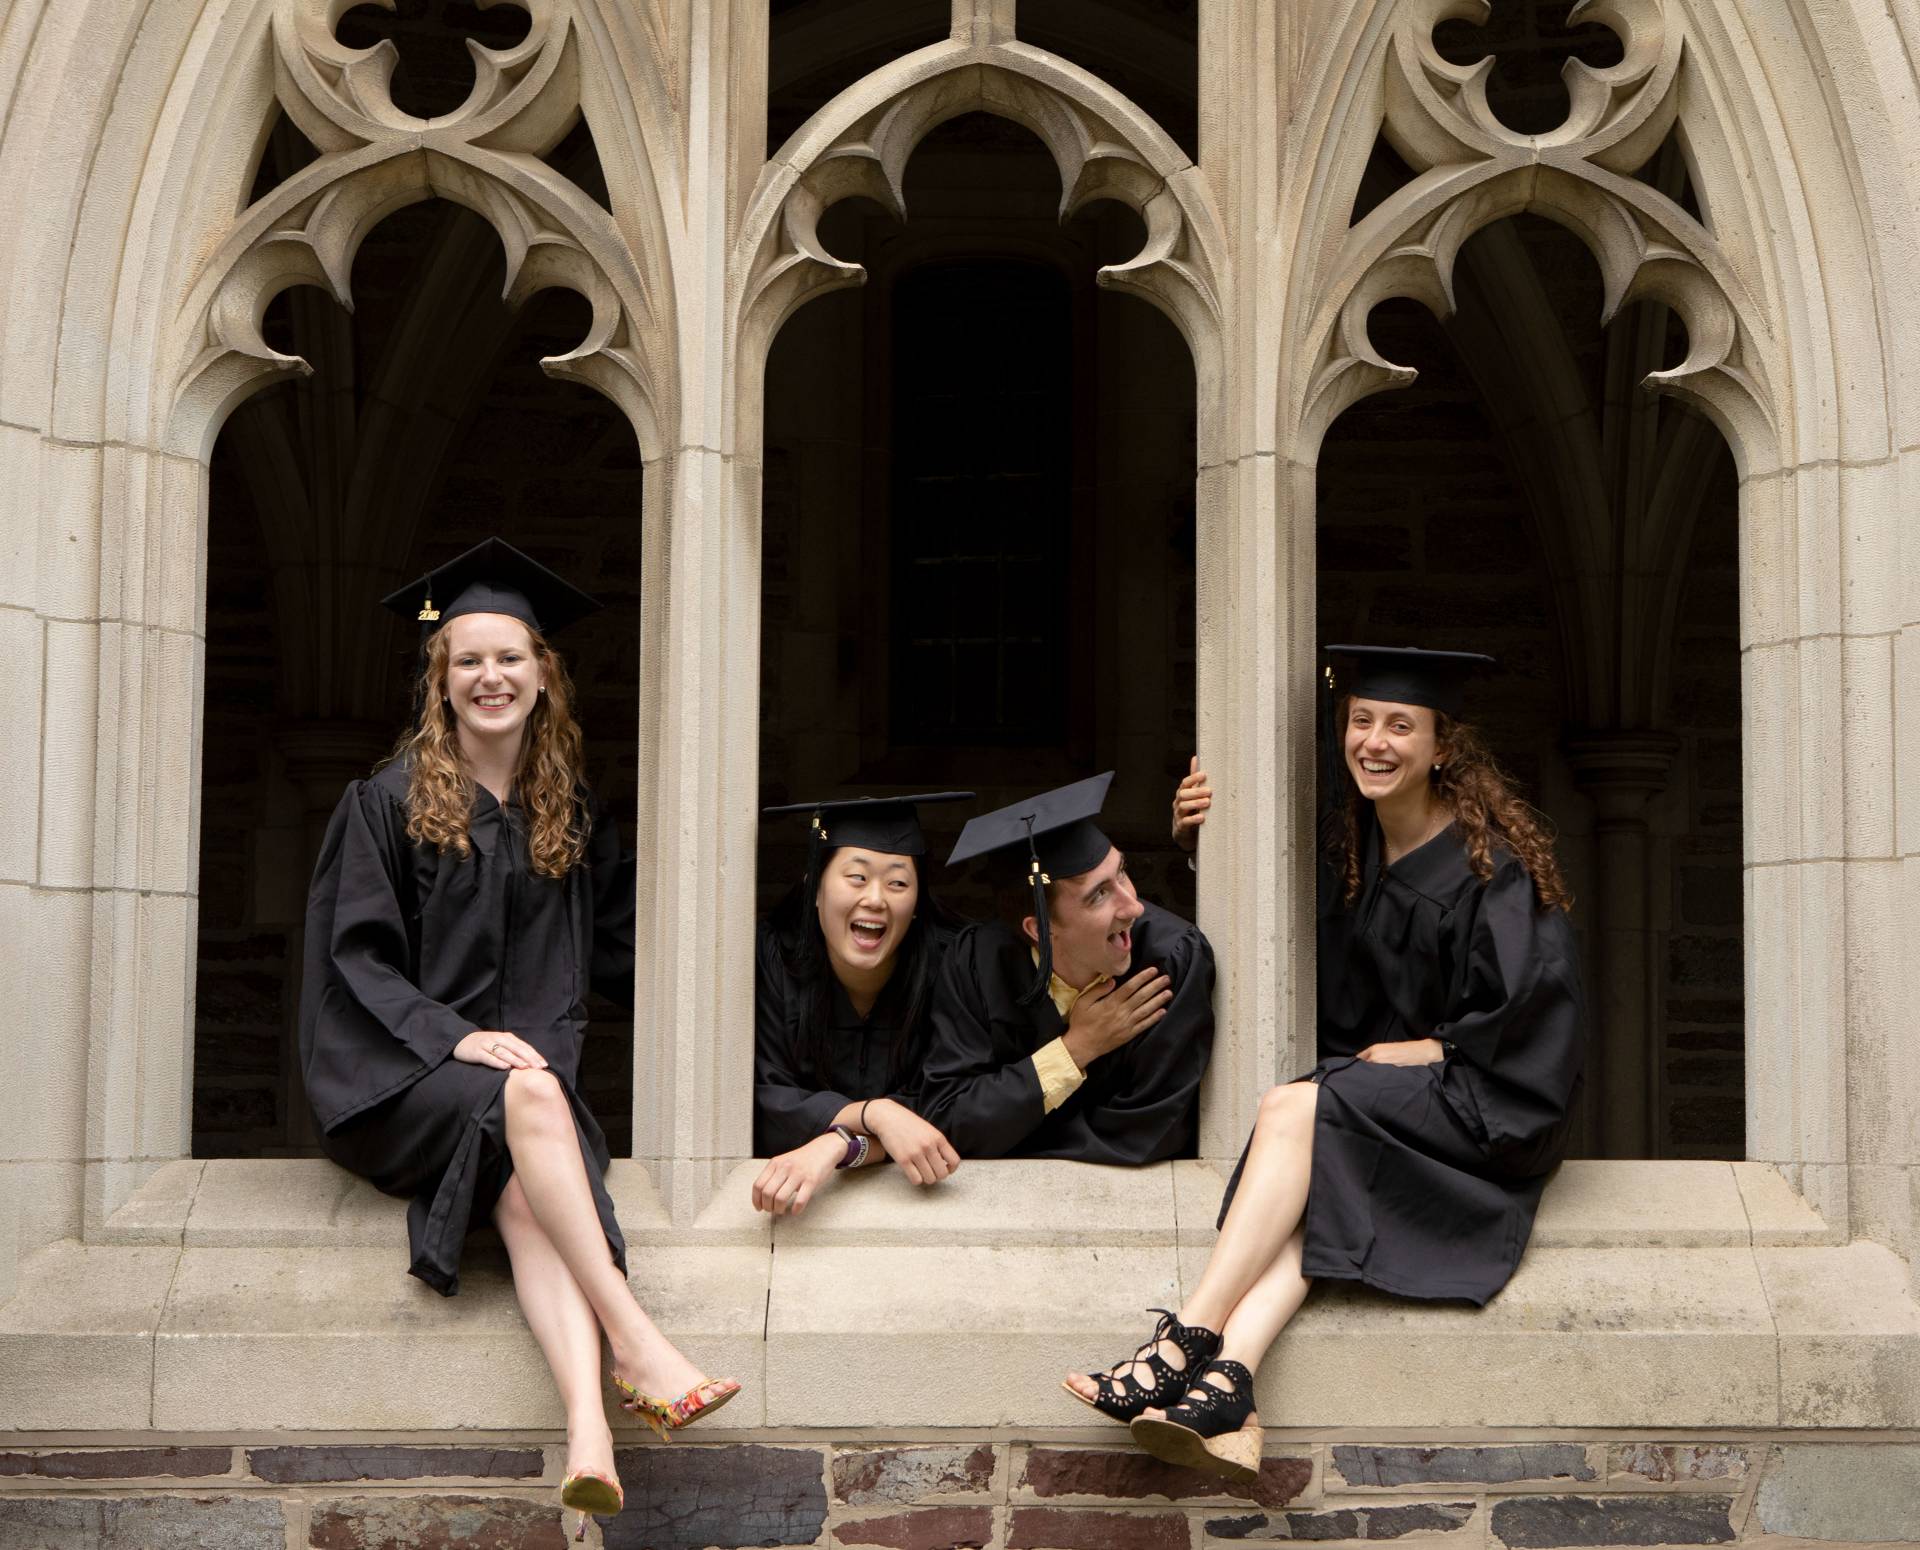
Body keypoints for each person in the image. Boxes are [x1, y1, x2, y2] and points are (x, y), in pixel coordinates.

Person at [300, 539, 739, 1541]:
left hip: (517, 1095)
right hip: (398, 1082)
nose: (489, 677)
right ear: (439, 679)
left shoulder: (570, 815)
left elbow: (618, 961)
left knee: (529, 1185)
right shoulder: (386, 801)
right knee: (530, 1093)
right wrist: (455, 1039)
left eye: (510, 658)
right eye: (467, 660)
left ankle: (590, 1433)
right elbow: (354, 961)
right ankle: (638, 1341)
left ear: (545, 672)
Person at [1063, 646, 1584, 1483]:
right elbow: (1298, 953)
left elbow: (1535, 1013)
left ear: (1443, 745)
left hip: (1494, 1107)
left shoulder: (1494, 872)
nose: (1375, 741)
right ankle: (1230, 1378)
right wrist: (1204, 846)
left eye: (1400, 725)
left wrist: (1436, 1047)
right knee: (1314, 1152)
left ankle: (1183, 1337)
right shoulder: (1359, 850)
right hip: (1405, 1099)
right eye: (1362, 721)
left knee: (1295, 1107)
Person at [918, 773, 1216, 1164]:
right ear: (1039, 930)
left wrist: (1004, 1126)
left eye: (1122, 872)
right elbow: (948, 1119)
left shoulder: (1171, 961)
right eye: (1100, 895)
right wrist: (1075, 1050)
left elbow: (1148, 1135)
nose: (1134, 907)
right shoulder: (976, 963)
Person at [751, 792, 973, 1215]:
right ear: (814, 889)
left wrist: (840, 1141)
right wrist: (878, 1115)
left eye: (898, 883)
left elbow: (951, 1109)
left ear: (917, 904)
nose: (875, 898)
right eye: (857, 877)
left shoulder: (953, 971)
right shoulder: (772, 963)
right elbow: (763, 1101)